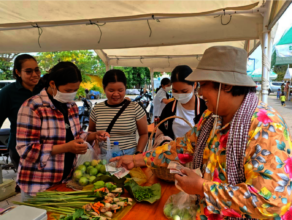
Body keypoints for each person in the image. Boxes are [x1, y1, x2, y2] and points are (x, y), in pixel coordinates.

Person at [111, 46, 292, 219]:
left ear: (226, 85)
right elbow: (182, 147)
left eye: (204, 84)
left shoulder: (266, 127)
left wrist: (203, 188)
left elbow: (271, 202)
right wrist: (136, 160)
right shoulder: (212, 117)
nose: (200, 92)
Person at [16, 62, 106, 200]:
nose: (72, 95)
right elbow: (26, 150)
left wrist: (94, 135)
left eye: (75, 90)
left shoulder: (71, 106)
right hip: (38, 186)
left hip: (65, 183)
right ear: (52, 84)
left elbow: (76, 134)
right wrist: (66, 148)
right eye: (68, 90)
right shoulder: (32, 107)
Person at [89, 69, 148, 155]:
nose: (116, 94)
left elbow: (144, 134)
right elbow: (90, 133)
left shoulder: (135, 107)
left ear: (125, 88)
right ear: (104, 88)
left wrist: (138, 153)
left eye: (120, 90)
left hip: (129, 155)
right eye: (111, 90)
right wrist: (96, 137)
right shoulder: (97, 109)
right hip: (104, 156)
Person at [0, 54, 44, 169]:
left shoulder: (45, 89)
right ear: (18, 72)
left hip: (47, 147)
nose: (35, 74)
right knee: (26, 185)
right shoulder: (7, 93)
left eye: (36, 70)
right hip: (20, 148)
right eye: (28, 71)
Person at [153, 65, 207, 147]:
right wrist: (165, 142)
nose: (180, 95)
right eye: (175, 91)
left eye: (184, 91)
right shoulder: (169, 109)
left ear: (195, 85)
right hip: (173, 156)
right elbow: (159, 133)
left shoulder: (205, 108)